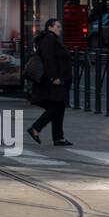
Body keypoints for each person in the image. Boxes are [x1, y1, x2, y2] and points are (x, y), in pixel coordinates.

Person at [28, 18, 74, 146]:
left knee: (59, 106)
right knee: (57, 106)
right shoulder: (49, 39)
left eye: (60, 26)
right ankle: (35, 128)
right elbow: (49, 59)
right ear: (50, 27)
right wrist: (54, 77)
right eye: (57, 26)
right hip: (52, 81)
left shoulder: (51, 39)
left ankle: (58, 137)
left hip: (55, 80)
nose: (60, 29)